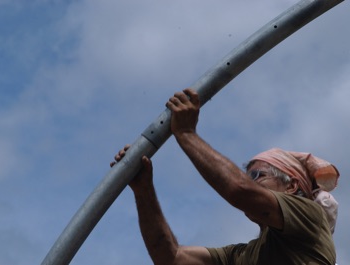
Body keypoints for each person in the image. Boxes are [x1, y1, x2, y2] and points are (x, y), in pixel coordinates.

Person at [111, 88, 340, 265]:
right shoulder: (243, 255)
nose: (250, 182)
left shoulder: (309, 216)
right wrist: (143, 190)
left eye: (257, 176)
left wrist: (186, 134)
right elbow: (172, 258)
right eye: (247, 177)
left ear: (291, 186)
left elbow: (239, 191)